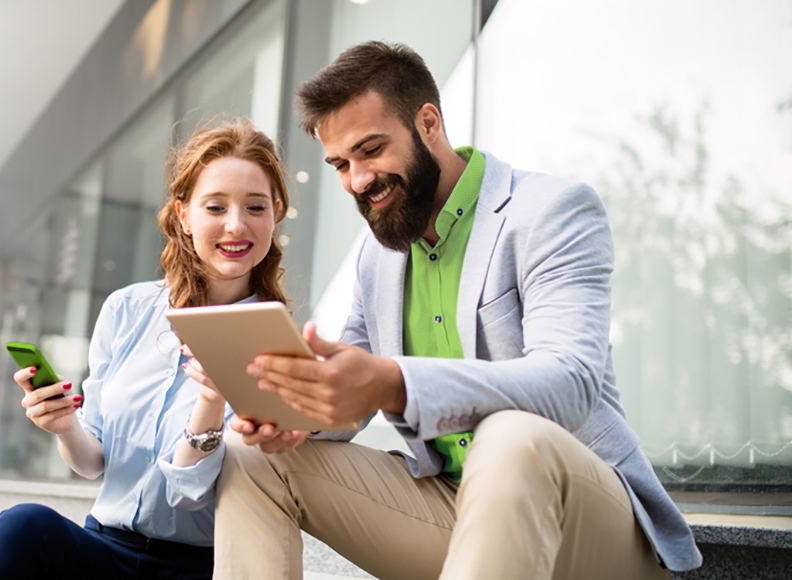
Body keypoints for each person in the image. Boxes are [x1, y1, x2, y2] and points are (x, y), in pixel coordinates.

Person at [202, 42, 703, 579]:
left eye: (371, 150)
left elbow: (572, 383)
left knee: (508, 434)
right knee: (251, 454)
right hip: (457, 513)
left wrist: (392, 382)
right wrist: (294, 414)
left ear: (428, 122)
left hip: (586, 522)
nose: (357, 180)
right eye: (341, 164)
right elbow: (351, 391)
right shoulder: (378, 255)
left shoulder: (550, 212)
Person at [0, 117, 292, 580]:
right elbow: (93, 462)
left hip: (199, 567)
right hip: (105, 546)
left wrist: (210, 401)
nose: (236, 225)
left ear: (274, 213)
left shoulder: (275, 343)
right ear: (184, 214)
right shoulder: (128, 309)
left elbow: (191, 494)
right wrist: (64, 427)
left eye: (255, 207)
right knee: (23, 526)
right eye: (215, 207)